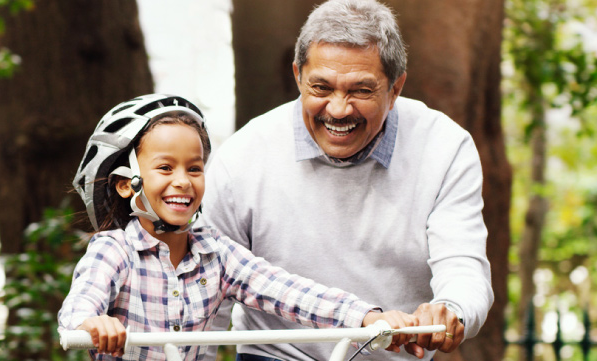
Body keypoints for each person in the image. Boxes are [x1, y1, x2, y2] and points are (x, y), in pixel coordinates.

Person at [201, 0, 494, 360]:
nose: (338, 110)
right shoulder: (243, 155)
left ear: (396, 88)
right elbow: (207, 286)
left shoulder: (444, 147)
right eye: (321, 88)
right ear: (298, 76)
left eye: (361, 90)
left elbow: (464, 264)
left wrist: (452, 309)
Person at [58, 94, 419, 360]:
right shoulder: (113, 250)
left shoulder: (216, 254)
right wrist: (91, 322)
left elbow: (289, 291)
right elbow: (78, 306)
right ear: (126, 183)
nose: (183, 181)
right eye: (166, 168)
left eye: (194, 168)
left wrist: (370, 316)